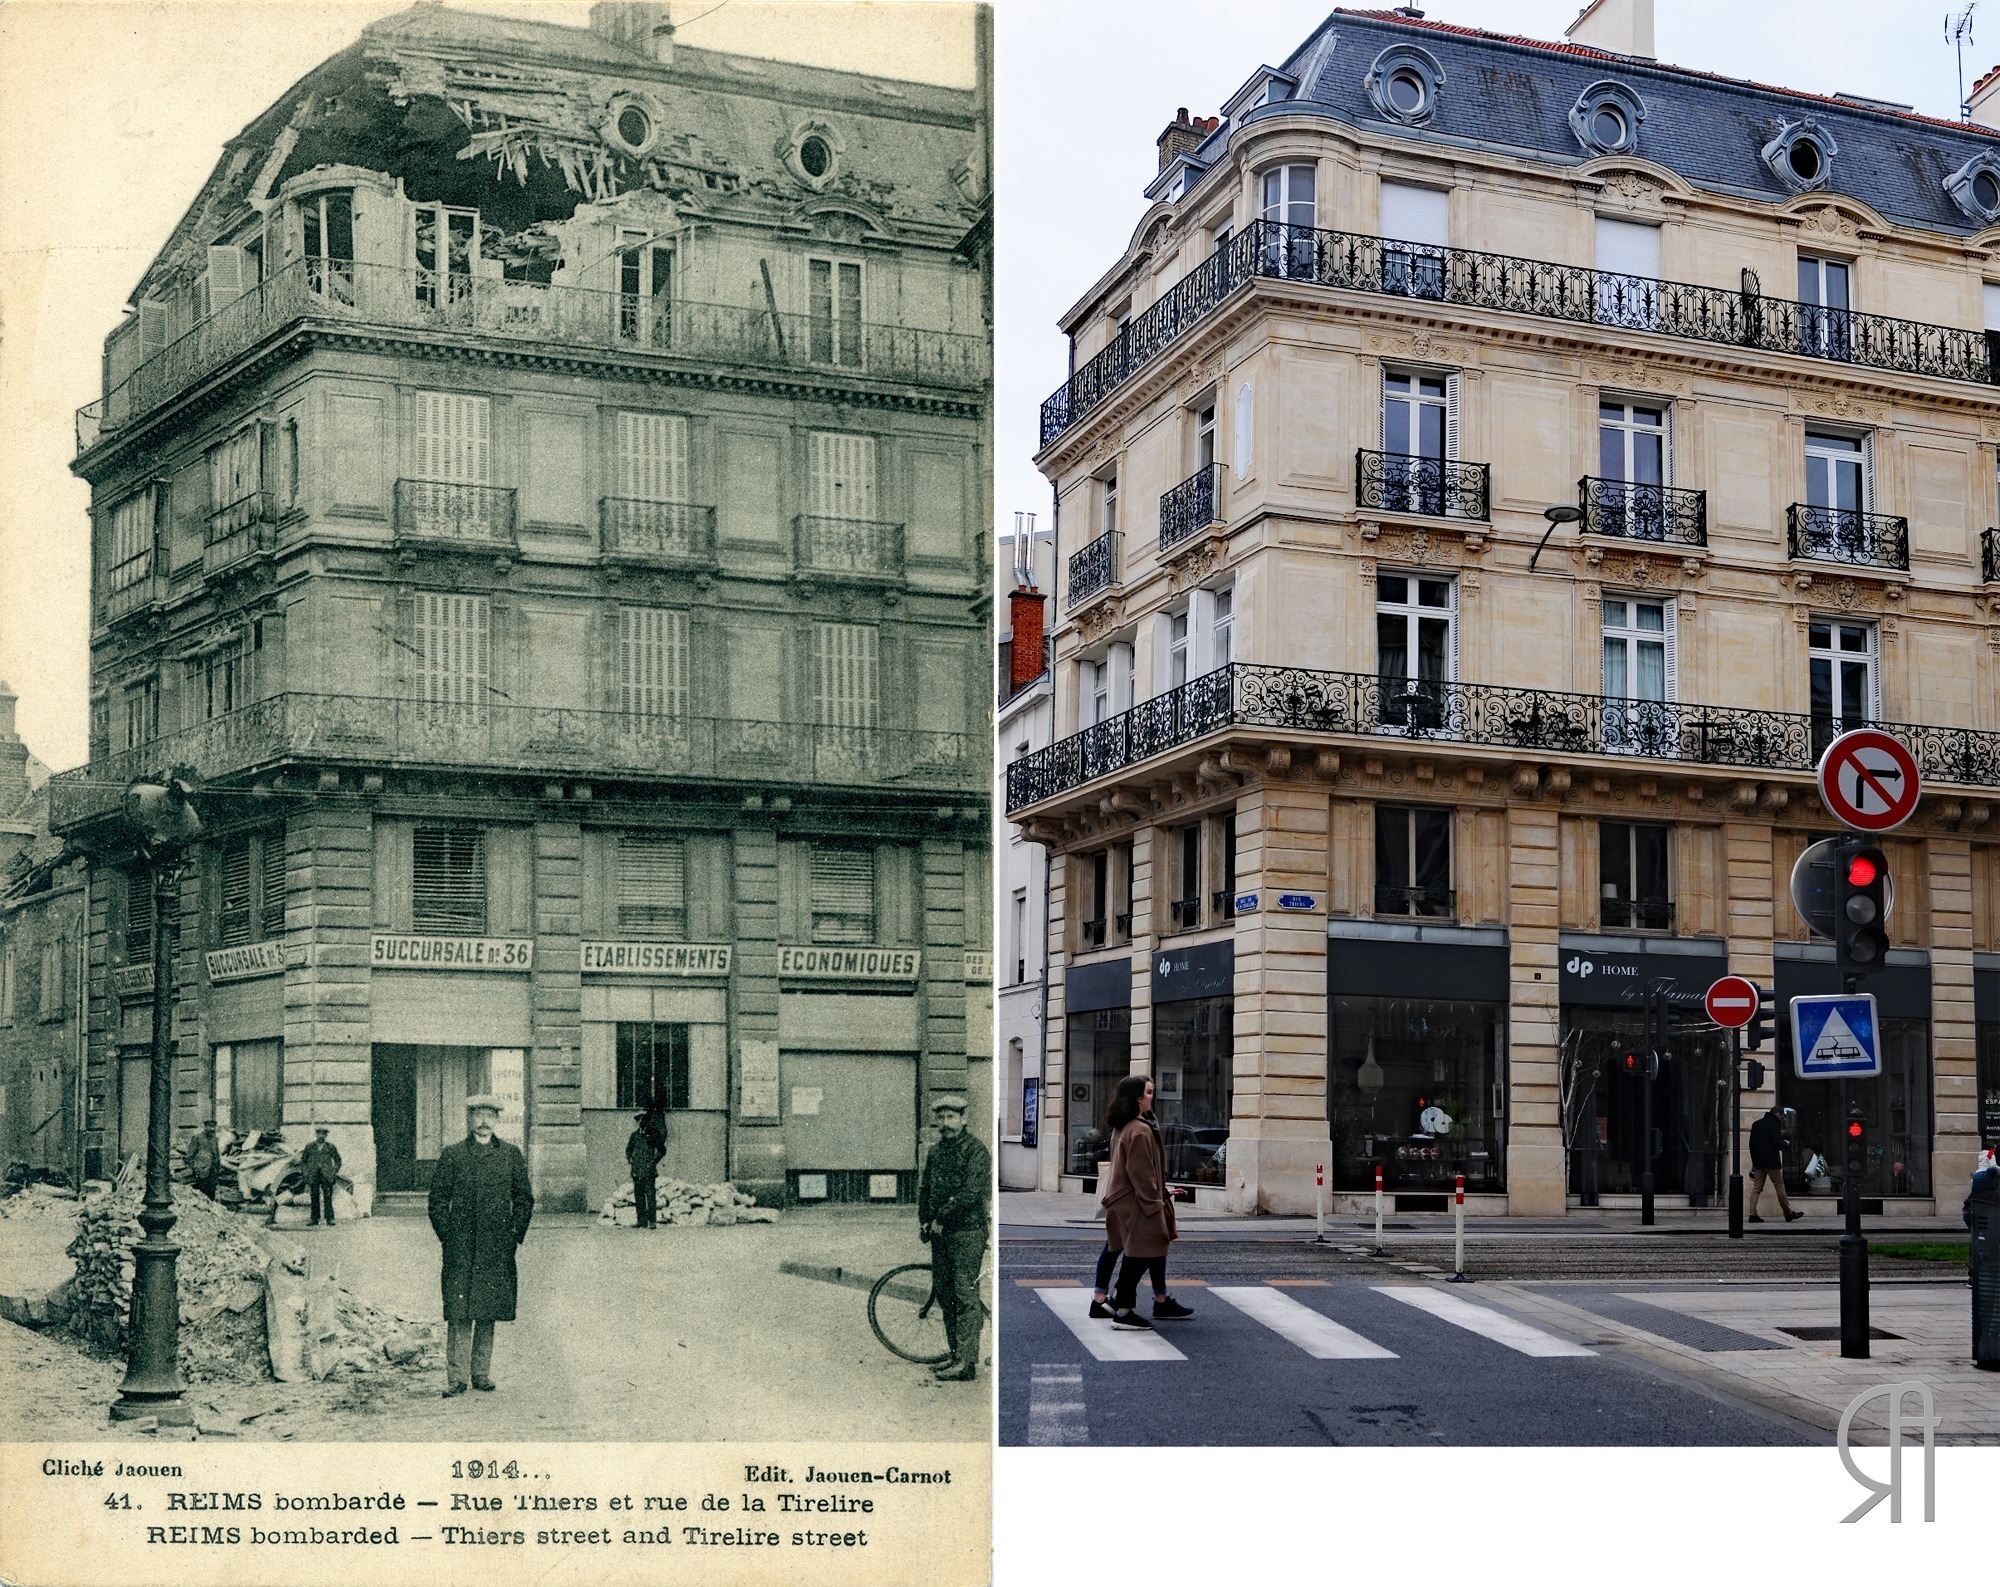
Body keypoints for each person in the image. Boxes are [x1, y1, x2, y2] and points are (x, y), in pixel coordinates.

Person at [428, 1095, 534, 1396]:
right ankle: (457, 1378)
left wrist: (513, 1234)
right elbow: (437, 1200)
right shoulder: (453, 1155)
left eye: (490, 1115)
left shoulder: (511, 1155)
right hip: (460, 1247)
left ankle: (481, 1374)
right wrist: (447, 1235)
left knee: (487, 1311)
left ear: (497, 1120)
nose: (484, 1121)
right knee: (460, 1312)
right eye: (478, 1115)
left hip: (496, 1247)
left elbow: (524, 1199)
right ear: (470, 1119)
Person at [1100, 1074, 1191, 1328]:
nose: (1152, 1097)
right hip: (1137, 1203)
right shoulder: (1138, 1129)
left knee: (1138, 1254)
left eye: (1152, 1091)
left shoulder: (1125, 1125)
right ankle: (1123, 1310)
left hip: (1125, 1200)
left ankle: (1120, 1302)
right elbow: (1141, 1173)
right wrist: (1155, 1204)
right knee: (1143, 1252)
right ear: (1137, 1098)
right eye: (1148, 1093)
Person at [917, 1094, 990, 1382]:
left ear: (963, 1119)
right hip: (940, 1233)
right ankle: (955, 1354)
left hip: (967, 1232)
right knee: (945, 1294)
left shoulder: (976, 1151)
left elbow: (970, 1194)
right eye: (941, 1118)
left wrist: (940, 1218)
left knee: (964, 1296)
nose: (945, 1123)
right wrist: (924, 1220)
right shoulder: (936, 1151)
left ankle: (967, 1362)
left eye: (951, 1117)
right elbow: (925, 1189)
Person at [1747, 1104, 1804, 1223]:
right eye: (1781, 1117)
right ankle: (1788, 1213)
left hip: (1758, 1162)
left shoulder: (1756, 1124)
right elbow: (1777, 1143)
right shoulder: (1774, 1125)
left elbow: (1751, 1145)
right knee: (1779, 1186)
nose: (1781, 1119)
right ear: (1778, 1114)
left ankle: (1753, 1214)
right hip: (1772, 1162)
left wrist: (1754, 1161)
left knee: (1756, 1188)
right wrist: (1786, 1143)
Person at [298, 1126, 343, 1227]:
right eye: (319, 1134)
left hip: (326, 1175)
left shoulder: (330, 1147)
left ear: (326, 1136)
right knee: (314, 1196)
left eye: (323, 1134)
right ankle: (314, 1218)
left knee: (327, 1196)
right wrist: (305, 1173)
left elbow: (338, 1161)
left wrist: (333, 1171)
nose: (321, 1136)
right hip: (313, 1174)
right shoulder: (310, 1146)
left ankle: (330, 1218)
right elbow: (303, 1161)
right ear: (316, 1134)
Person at [625, 1111, 662, 1229]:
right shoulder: (634, 1136)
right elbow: (628, 1150)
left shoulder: (653, 1135)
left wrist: (653, 1162)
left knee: (650, 1196)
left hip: (649, 1171)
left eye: (643, 1119)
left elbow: (661, 1150)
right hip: (637, 1171)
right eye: (638, 1119)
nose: (641, 1122)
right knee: (639, 1196)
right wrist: (632, 1160)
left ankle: (652, 1221)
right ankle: (641, 1221)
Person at [184, 1120, 221, 1201]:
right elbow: (189, 1155)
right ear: (205, 1127)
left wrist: (217, 1166)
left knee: (211, 1193)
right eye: (209, 1126)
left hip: (212, 1170)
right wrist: (194, 1167)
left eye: (213, 1127)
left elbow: (216, 1153)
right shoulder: (197, 1138)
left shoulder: (215, 1139)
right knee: (202, 1193)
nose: (212, 1129)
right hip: (201, 1170)